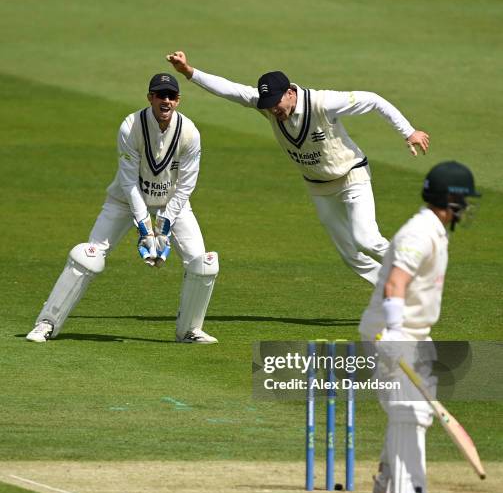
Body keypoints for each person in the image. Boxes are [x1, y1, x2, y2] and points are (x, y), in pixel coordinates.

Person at [167, 51, 430, 285]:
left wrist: (408, 132)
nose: (272, 110)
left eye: (276, 103)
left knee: (366, 239)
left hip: (352, 176)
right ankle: (392, 290)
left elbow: (373, 100)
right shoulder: (269, 106)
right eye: (267, 104)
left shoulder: (323, 102)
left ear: (290, 93)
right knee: (350, 255)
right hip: (318, 187)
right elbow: (229, 89)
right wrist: (189, 72)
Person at [27, 73, 219, 344]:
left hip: (172, 202)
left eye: (171, 96)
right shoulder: (131, 126)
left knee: (203, 264)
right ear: (149, 97)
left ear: (178, 100)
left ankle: (189, 330)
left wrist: (163, 226)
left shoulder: (190, 133)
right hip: (124, 200)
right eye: (160, 95)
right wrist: (145, 229)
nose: (165, 101)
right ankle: (46, 323)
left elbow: (187, 185)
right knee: (88, 257)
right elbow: (129, 182)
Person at [359, 161, 481, 493]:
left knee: (411, 410)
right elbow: (396, 282)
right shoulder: (419, 233)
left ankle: (384, 486)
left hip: (413, 332)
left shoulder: (434, 230)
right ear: (452, 201)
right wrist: (395, 333)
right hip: (391, 332)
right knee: (408, 409)